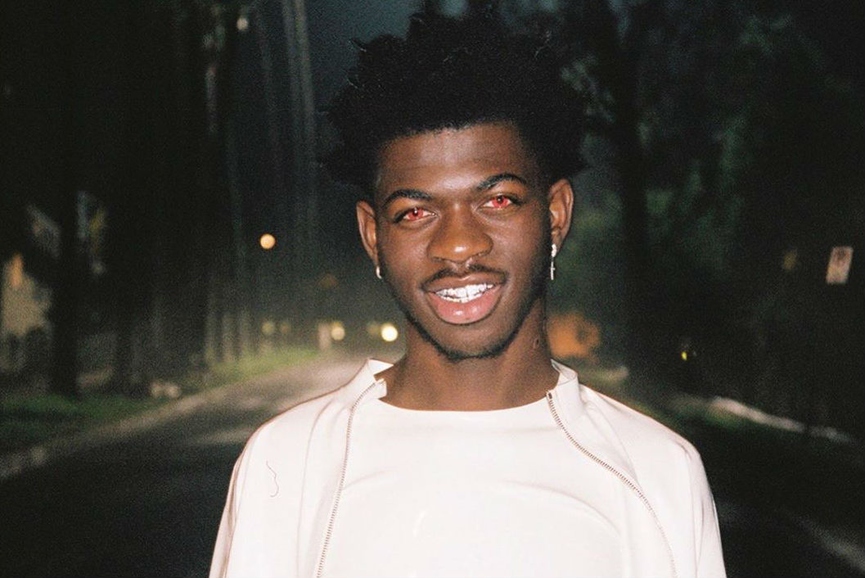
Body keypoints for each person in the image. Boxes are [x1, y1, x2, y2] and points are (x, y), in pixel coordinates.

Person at [210, 11, 726, 578]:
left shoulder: (659, 473)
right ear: (373, 236)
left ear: (555, 216)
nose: (458, 245)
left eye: (497, 201)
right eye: (415, 212)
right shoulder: (288, 464)